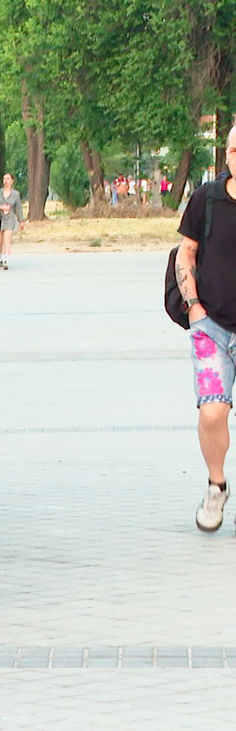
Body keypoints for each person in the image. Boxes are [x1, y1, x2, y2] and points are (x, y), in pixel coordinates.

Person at [178, 124, 236, 533]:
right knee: (213, 411)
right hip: (211, 325)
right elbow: (187, 251)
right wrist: (194, 306)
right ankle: (217, 485)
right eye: (235, 149)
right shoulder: (206, 199)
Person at [0, 172, 23, 270]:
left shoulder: (16, 194)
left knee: (7, 240)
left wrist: (21, 221)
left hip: (10, 218)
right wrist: (1, 207)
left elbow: (18, 208)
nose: (6, 181)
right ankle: (0, 258)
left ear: (12, 181)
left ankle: (6, 260)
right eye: (5, 179)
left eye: (8, 179)